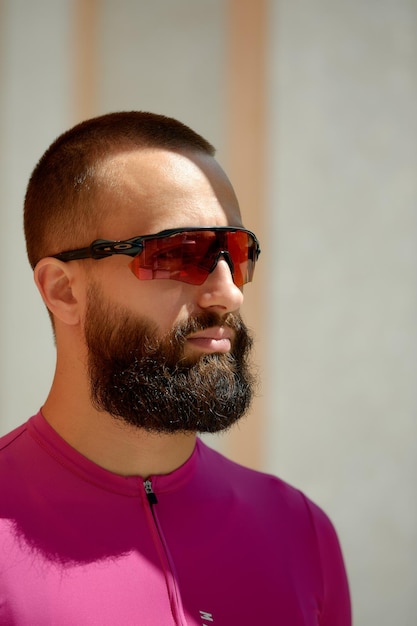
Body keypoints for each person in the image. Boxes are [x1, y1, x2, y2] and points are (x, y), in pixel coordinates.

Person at [0, 111, 351, 625]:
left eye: (234, 251)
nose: (228, 292)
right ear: (63, 290)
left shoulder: (301, 532)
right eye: (179, 253)